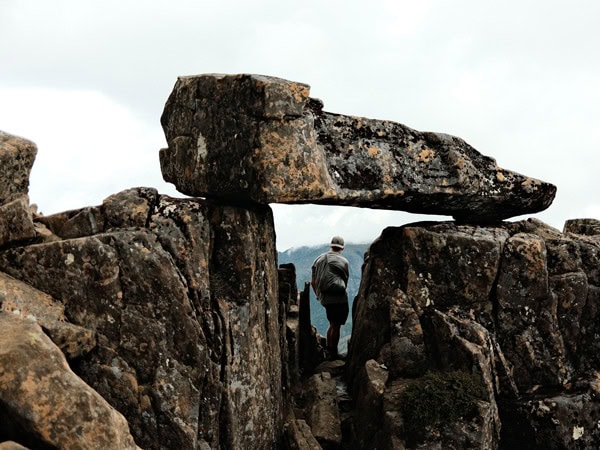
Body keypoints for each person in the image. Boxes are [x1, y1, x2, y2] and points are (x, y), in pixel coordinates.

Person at [311, 236, 350, 359]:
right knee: (336, 325)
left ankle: (328, 349)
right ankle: (333, 352)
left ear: (331, 245)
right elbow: (345, 281)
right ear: (342, 248)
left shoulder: (318, 259)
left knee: (331, 323)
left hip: (326, 298)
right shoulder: (344, 262)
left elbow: (313, 281)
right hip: (339, 298)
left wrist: (318, 295)